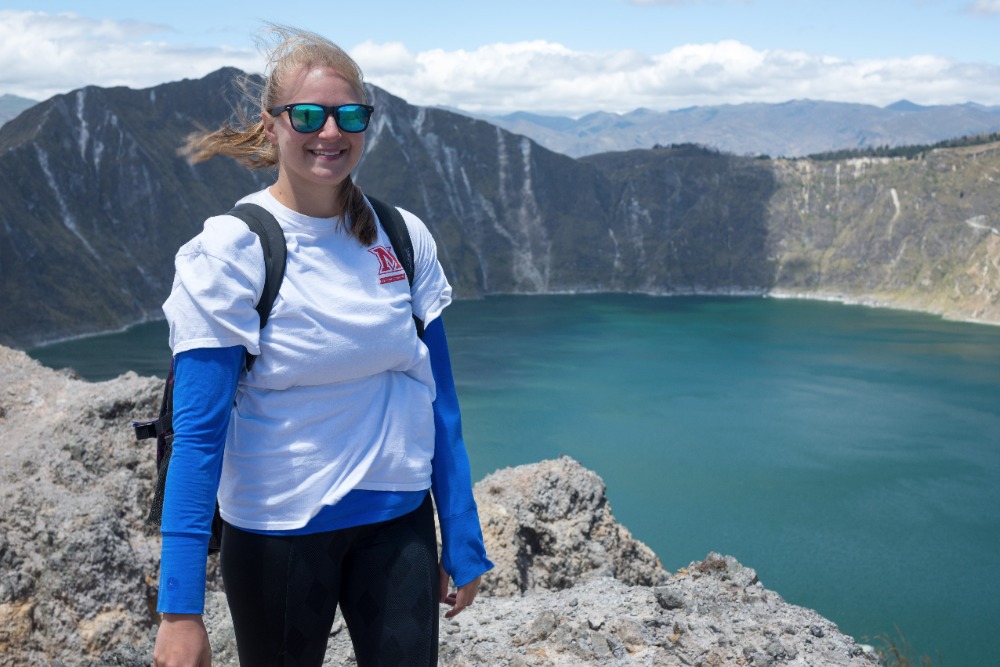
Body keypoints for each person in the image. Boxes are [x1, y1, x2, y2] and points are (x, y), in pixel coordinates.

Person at [152, 24, 493, 667]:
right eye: (307, 115)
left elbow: (438, 398)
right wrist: (179, 612)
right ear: (271, 125)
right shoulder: (231, 252)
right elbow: (198, 438)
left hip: (398, 523)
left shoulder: (402, 236)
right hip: (276, 533)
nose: (330, 132)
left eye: (349, 115)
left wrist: (462, 534)